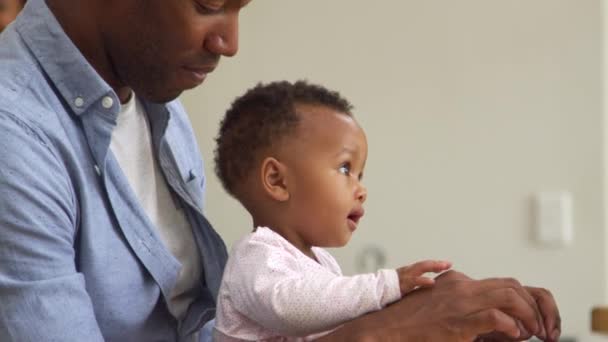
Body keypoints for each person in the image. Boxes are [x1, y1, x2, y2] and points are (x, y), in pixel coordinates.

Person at [0, 0, 561, 341]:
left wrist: (432, 316)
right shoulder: (14, 137)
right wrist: (381, 332)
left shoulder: (155, 104)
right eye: (210, 1)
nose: (230, 42)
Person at [212, 80, 454, 340]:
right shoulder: (255, 255)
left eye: (360, 174)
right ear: (277, 180)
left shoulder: (322, 260)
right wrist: (386, 286)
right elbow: (290, 308)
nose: (362, 190)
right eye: (345, 169)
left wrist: (409, 304)